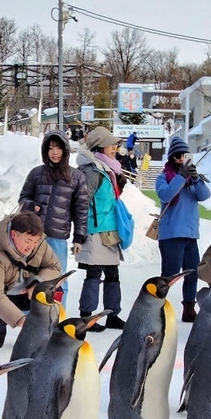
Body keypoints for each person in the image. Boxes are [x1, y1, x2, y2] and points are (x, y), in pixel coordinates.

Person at [0, 211, 61, 349]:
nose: (32, 246)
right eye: (28, 241)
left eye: (35, 241)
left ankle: (46, 334)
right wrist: (20, 319)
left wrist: (37, 282)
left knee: (52, 292)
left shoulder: (39, 246)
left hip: (26, 293)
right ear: (13, 234)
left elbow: (54, 267)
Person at [17, 129, 88, 307]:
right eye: (50, 148)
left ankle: (57, 315)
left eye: (58, 148)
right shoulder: (36, 174)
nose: (54, 152)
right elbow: (22, 199)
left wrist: (78, 238)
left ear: (65, 150)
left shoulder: (77, 177)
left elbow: (81, 210)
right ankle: (31, 316)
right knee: (32, 275)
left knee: (58, 279)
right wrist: (30, 206)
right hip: (33, 236)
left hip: (58, 238)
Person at [75, 126, 127, 331]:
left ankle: (112, 315)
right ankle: (87, 317)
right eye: (111, 144)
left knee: (113, 274)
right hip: (95, 229)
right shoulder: (91, 170)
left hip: (109, 229)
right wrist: (80, 233)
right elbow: (82, 202)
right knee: (94, 274)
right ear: (100, 147)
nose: (115, 148)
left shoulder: (108, 169)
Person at [155, 136, 211, 322]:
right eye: (177, 156)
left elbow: (204, 195)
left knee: (192, 273)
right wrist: (180, 176)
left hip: (190, 234)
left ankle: (189, 308)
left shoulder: (191, 181)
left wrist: (195, 178)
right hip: (171, 234)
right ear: (171, 158)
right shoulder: (164, 178)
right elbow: (166, 194)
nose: (181, 160)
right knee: (169, 275)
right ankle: (157, 307)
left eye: (184, 156)